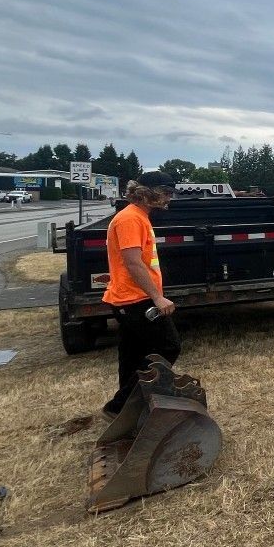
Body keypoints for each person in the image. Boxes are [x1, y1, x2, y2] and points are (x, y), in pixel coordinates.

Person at [102, 170, 180, 416]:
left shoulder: (138, 216)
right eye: (165, 194)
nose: (169, 199)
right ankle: (121, 405)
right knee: (168, 346)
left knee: (133, 355)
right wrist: (157, 297)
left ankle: (124, 410)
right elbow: (133, 263)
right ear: (147, 195)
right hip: (134, 299)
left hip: (130, 298)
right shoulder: (130, 219)